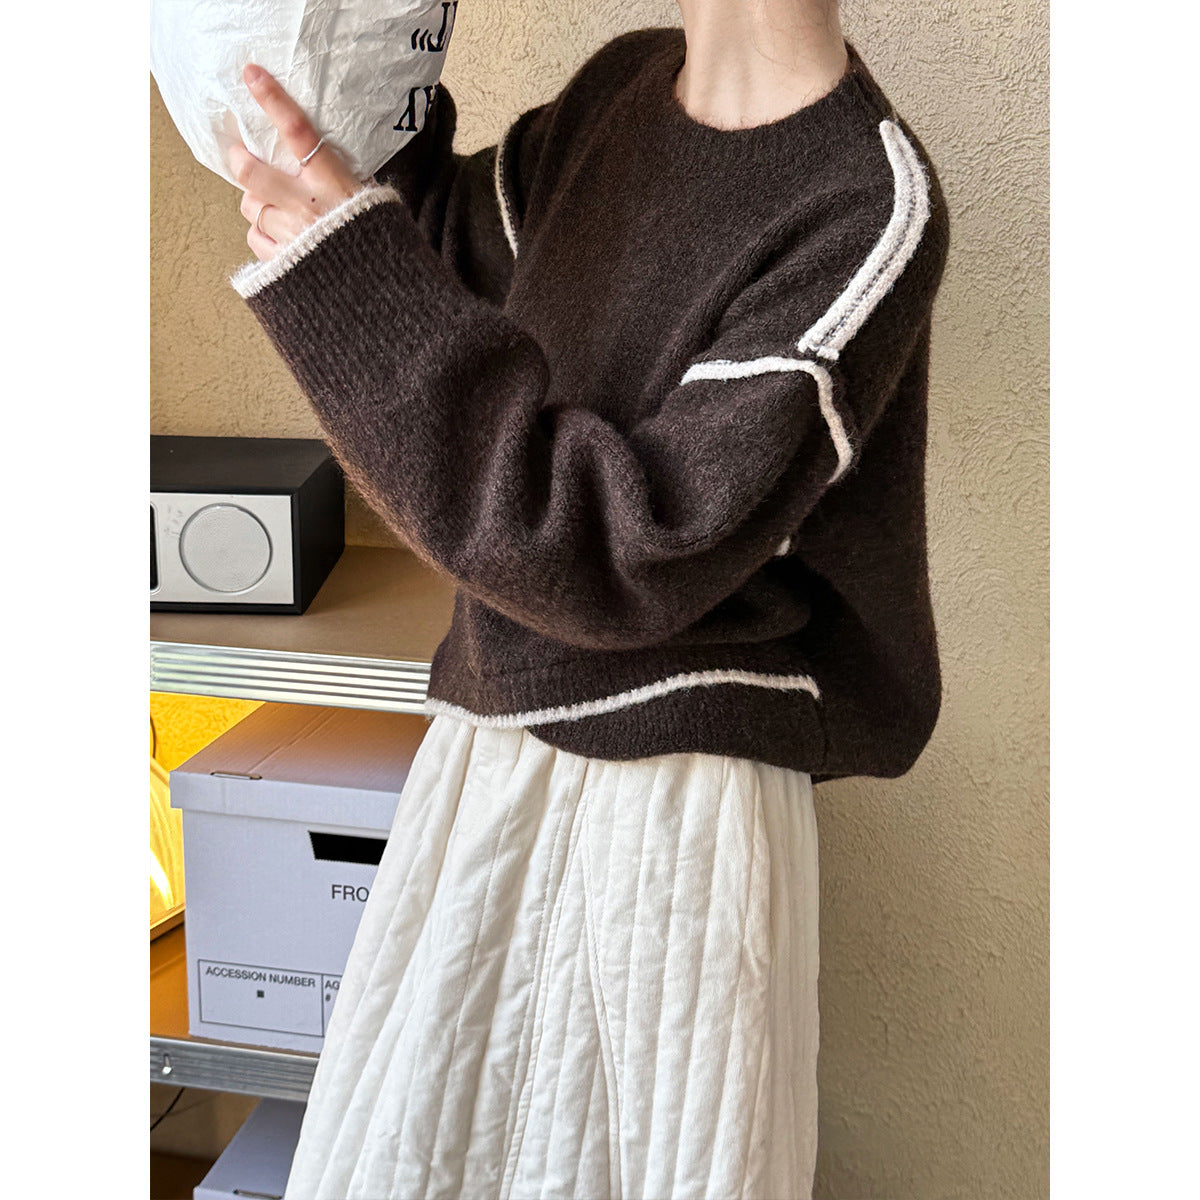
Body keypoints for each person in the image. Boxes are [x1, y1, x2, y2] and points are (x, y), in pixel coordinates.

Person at [224, 1, 949, 1196]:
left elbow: (626, 553)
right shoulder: (623, 88)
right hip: (495, 747)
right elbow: (446, 255)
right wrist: (350, 119)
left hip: (669, 809)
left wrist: (349, 271)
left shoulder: (868, 207)